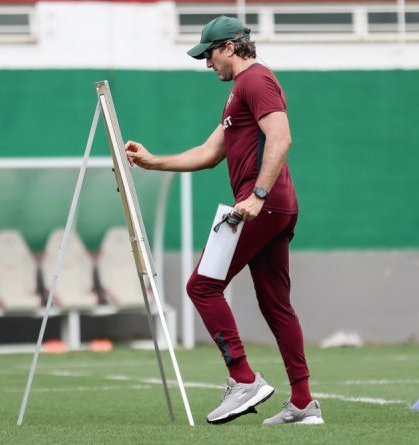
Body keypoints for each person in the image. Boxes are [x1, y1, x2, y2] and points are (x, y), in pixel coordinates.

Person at [124, 16, 323, 425]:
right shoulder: (239, 92)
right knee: (275, 305)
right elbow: (209, 153)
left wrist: (258, 195)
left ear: (230, 47)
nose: (206, 63)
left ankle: (243, 378)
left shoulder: (254, 81)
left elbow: (282, 137)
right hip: (272, 205)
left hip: (262, 204)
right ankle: (303, 404)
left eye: (209, 54)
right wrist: (151, 161)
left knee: (202, 285)